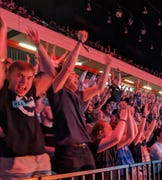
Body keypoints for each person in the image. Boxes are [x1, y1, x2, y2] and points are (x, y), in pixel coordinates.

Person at [46, 29, 112, 174]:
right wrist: (79, 43)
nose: (75, 76)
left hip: (85, 149)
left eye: (76, 76)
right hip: (68, 151)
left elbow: (100, 87)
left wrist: (108, 66)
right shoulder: (57, 91)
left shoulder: (77, 95)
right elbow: (68, 67)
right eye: (73, 75)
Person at [0, 15, 55, 179]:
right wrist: (4, 30)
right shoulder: (3, 93)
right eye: (20, 76)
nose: (25, 81)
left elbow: (51, 73)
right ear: (9, 76)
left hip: (41, 159)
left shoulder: (32, 91)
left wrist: (38, 45)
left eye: (30, 77)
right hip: (16, 162)